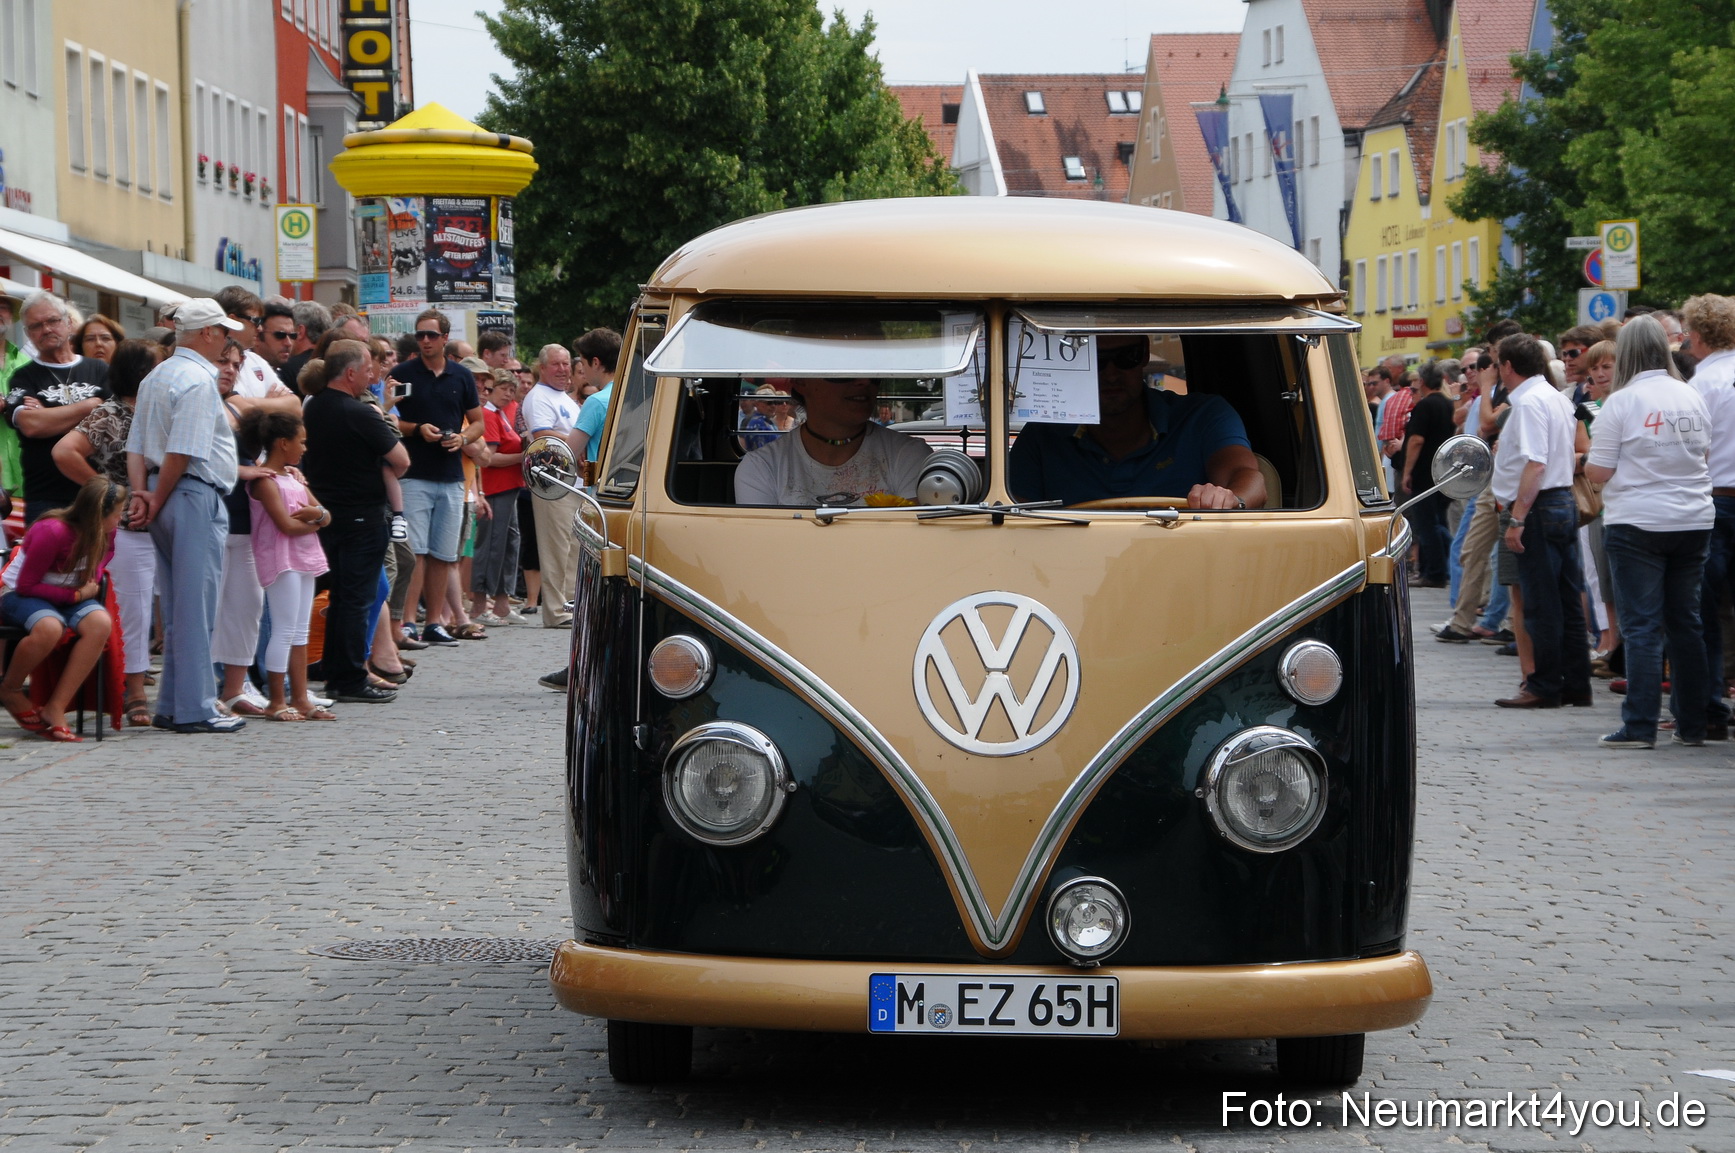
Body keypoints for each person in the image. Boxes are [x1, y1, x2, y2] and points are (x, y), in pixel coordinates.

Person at [1584, 315, 1714, 748]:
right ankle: (1693, 723)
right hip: (1693, 518)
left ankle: (1639, 725)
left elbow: (1599, 470)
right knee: (1685, 623)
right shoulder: (1689, 394)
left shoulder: (1621, 402)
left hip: (1638, 520)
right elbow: (1705, 452)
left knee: (1641, 628)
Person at [126, 299, 247, 733]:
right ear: (208, 333)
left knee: (179, 606)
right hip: (191, 493)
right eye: (222, 330)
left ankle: (176, 704)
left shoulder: (158, 374)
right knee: (196, 606)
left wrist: (145, 492)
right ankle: (196, 707)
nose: (228, 337)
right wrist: (154, 496)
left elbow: (137, 444)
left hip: (167, 491)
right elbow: (183, 448)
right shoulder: (198, 378)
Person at [1007, 334, 1263, 509]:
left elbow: (1247, 477)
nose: (1110, 374)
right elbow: (1013, 511)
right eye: (1096, 360)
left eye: (1126, 356)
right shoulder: (1042, 433)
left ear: (1144, 354)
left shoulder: (1203, 415)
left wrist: (1230, 500)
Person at [52, 339, 159, 726]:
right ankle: (133, 692)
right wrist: (112, 492)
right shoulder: (111, 413)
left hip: (167, 521)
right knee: (134, 610)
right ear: (142, 372)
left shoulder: (160, 410)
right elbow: (64, 452)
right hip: (128, 526)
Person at [302, 339, 409, 704]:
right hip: (361, 516)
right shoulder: (360, 412)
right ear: (349, 373)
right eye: (367, 369)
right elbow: (401, 460)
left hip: (326, 514)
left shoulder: (313, 407)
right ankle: (348, 677)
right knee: (355, 599)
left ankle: (336, 671)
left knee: (340, 597)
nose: (373, 375)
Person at [1492, 333, 1592, 710]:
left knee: (1541, 601)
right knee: (1566, 597)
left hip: (1539, 506)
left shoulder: (1531, 403)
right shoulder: (1553, 397)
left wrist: (1517, 518)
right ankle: (1576, 682)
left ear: (1507, 366)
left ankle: (1545, 684)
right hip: (1560, 501)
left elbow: (1536, 463)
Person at [0, 477, 125, 741]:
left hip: (68, 595)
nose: (119, 520)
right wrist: (77, 594)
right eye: (117, 514)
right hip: (20, 594)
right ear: (97, 516)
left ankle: (56, 706)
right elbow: (26, 585)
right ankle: (10, 688)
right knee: (49, 627)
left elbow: (102, 559)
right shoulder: (52, 531)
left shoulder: (105, 532)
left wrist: (92, 578)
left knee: (100, 623)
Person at [388, 309, 483, 646]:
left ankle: (434, 623)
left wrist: (463, 439)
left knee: (445, 554)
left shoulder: (461, 376)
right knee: (416, 552)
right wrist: (417, 429)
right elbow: (387, 418)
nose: (425, 341)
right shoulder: (402, 372)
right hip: (414, 473)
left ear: (445, 338)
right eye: (420, 335)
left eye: (431, 335)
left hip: (452, 475)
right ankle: (408, 621)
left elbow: (478, 423)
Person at [240, 409, 334, 722]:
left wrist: (313, 518)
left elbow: (323, 513)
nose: (305, 447)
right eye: (301, 441)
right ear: (283, 443)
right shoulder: (266, 482)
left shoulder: (291, 478)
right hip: (282, 561)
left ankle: (301, 697)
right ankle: (277, 700)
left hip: (303, 558)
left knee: (299, 631)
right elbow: (286, 525)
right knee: (283, 629)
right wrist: (315, 520)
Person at [736, 376, 933, 506]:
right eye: (843, 370)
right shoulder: (761, 468)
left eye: (874, 370)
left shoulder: (910, 456)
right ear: (801, 380)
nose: (864, 380)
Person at [1682, 295, 1735, 739]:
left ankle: (1709, 708)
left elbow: (1692, 449)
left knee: (1704, 610)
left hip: (1716, 500)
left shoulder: (1703, 383)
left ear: (1698, 335)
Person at [11, 291, 111, 525]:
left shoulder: (99, 369)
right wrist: (92, 404)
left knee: (101, 562)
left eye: (53, 321)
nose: (46, 329)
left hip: (98, 492)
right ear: (28, 334)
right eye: (36, 325)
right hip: (46, 498)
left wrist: (49, 415)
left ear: (68, 323)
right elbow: (32, 426)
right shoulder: (22, 377)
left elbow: (112, 420)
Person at [520, 342, 582, 628]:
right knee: (556, 548)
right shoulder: (539, 396)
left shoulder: (565, 398)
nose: (562, 369)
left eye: (566, 363)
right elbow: (542, 434)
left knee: (573, 548)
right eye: (555, 364)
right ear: (542, 368)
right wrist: (579, 441)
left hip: (573, 481)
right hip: (553, 481)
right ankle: (556, 611)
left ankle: (569, 604)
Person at [471, 367, 525, 625]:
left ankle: (502, 602)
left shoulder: (501, 414)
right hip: (495, 488)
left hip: (509, 487)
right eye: (504, 388)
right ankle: (480, 604)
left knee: (509, 544)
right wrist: (523, 456)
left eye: (512, 389)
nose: (509, 393)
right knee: (491, 545)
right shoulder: (489, 415)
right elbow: (489, 458)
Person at [1400, 360, 1455, 587]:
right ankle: (1444, 568)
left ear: (1422, 382)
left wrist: (1407, 471)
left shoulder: (1424, 406)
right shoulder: (1447, 404)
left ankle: (1434, 572)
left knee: (1426, 525)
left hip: (1425, 472)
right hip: (1443, 472)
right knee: (1439, 522)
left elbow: (1416, 440)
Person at [569, 328, 621, 463]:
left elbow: (568, 454)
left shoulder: (596, 401)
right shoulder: (634, 394)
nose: (583, 370)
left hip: (602, 482)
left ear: (596, 363)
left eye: (583, 363)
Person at [279, 299, 331, 391]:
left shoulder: (288, 368)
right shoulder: (334, 364)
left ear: (300, 332)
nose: (286, 339)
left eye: (290, 330)